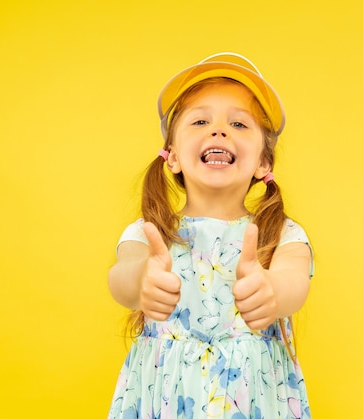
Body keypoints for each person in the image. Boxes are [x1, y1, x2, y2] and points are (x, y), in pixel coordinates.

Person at [108, 52, 314, 419]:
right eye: (200, 120)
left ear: (263, 163)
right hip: (166, 397)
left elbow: (294, 284)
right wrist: (141, 281)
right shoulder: (149, 233)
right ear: (171, 156)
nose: (218, 130)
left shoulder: (282, 234)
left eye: (239, 124)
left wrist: (271, 290)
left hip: (251, 399)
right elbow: (122, 278)